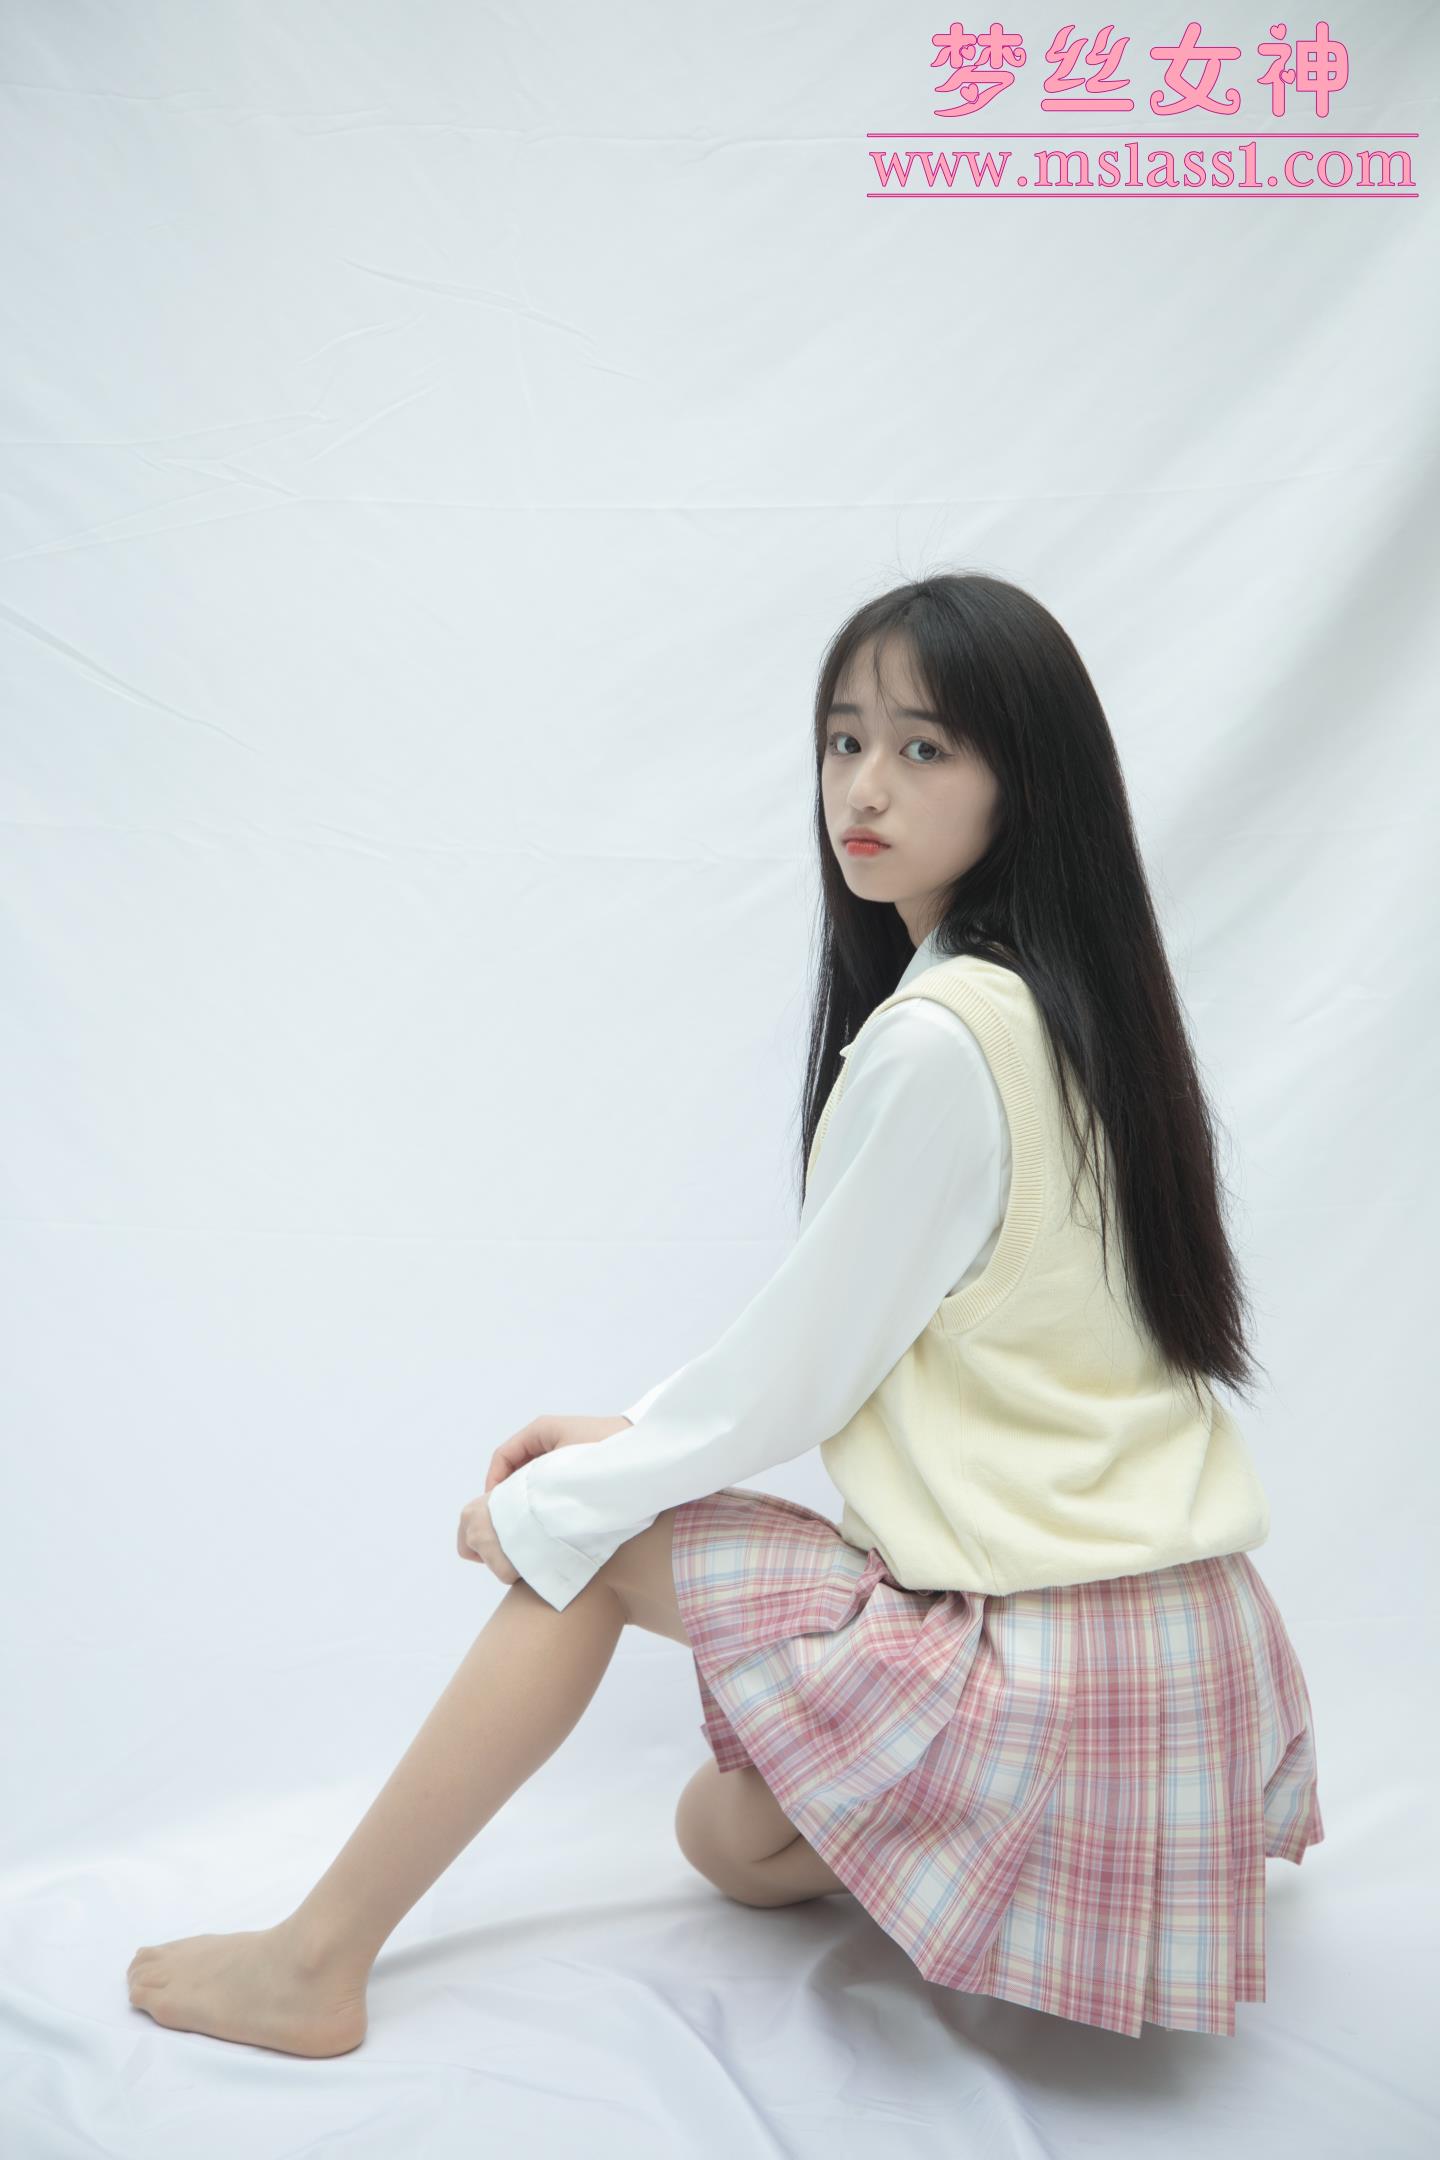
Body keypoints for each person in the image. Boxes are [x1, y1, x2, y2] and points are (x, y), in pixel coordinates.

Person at [124, 570, 1323, 2054]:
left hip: (1051, 1670)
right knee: (729, 1843)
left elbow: (797, 1377)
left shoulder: (943, 1042)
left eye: (924, 748)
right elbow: (864, 1339)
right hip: (1189, 1666)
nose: (863, 788)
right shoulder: (1080, 1012)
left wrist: (567, 1502)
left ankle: (313, 1963)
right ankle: (1042, 1849)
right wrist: (631, 1432)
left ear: (1028, 781)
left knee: (581, 1559)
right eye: (843, 741)